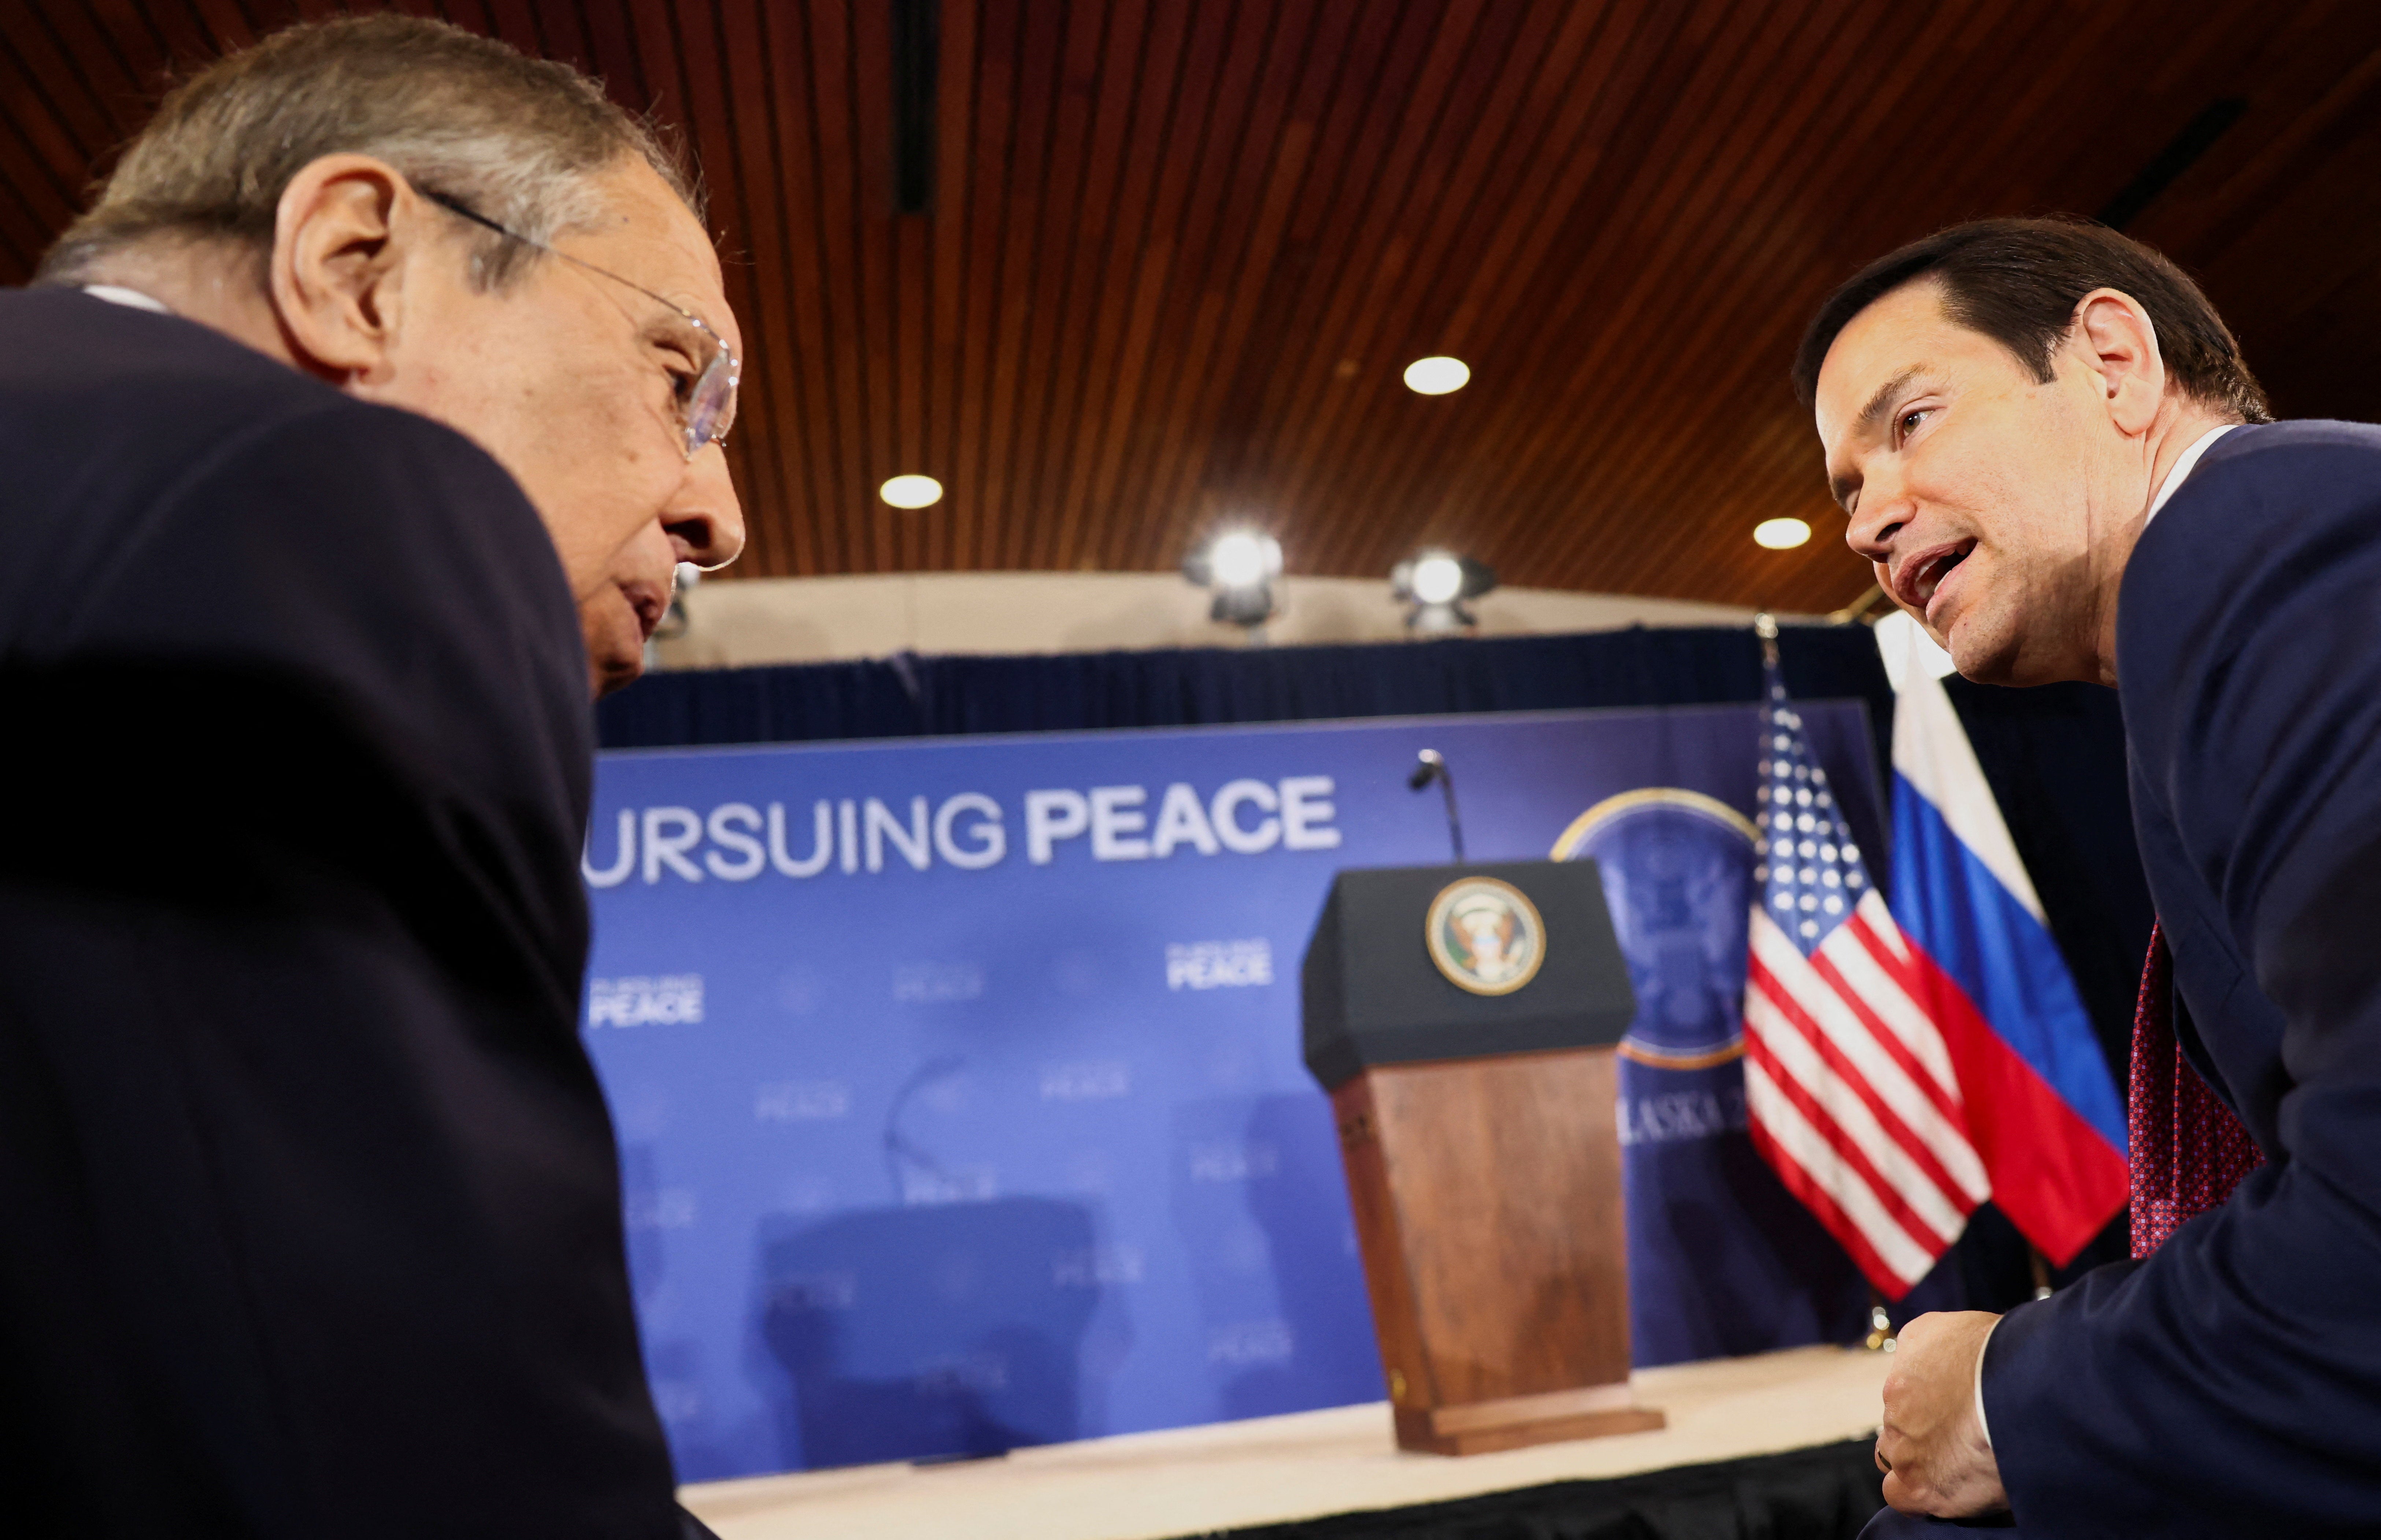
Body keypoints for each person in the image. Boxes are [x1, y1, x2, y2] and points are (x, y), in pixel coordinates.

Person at [0, 15, 745, 1537]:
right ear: (357, 267)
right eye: (678, 376)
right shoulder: (315, 503)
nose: (717, 513)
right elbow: (415, 1451)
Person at [1795, 215, 2381, 1537]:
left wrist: (2002, 1396)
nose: (1868, 522)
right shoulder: (2219, 604)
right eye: (1845, 492)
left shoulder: (2285, 550)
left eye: (1911, 421)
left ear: (2114, 363)